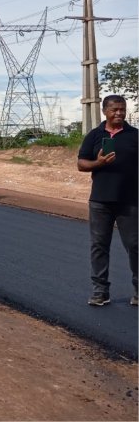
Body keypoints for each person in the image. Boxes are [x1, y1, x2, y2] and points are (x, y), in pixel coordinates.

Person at [77, 94, 138, 307]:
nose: (119, 113)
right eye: (114, 110)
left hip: (130, 201)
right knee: (99, 246)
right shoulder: (94, 135)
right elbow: (81, 164)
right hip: (100, 201)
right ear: (104, 111)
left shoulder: (135, 135)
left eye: (122, 109)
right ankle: (100, 292)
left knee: (135, 245)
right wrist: (99, 163)